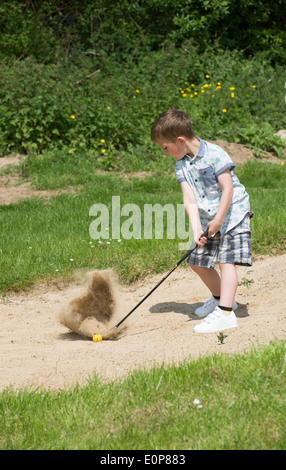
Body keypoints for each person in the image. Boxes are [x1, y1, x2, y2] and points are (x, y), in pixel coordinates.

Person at [151, 109, 253, 333]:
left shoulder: (215, 154)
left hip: (233, 214)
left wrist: (218, 220)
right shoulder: (181, 165)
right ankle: (221, 299)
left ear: (180, 140)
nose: (164, 152)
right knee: (197, 262)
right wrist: (197, 228)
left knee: (227, 261)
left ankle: (226, 314)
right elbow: (189, 198)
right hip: (209, 220)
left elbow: (227, 189)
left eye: (165, 147)